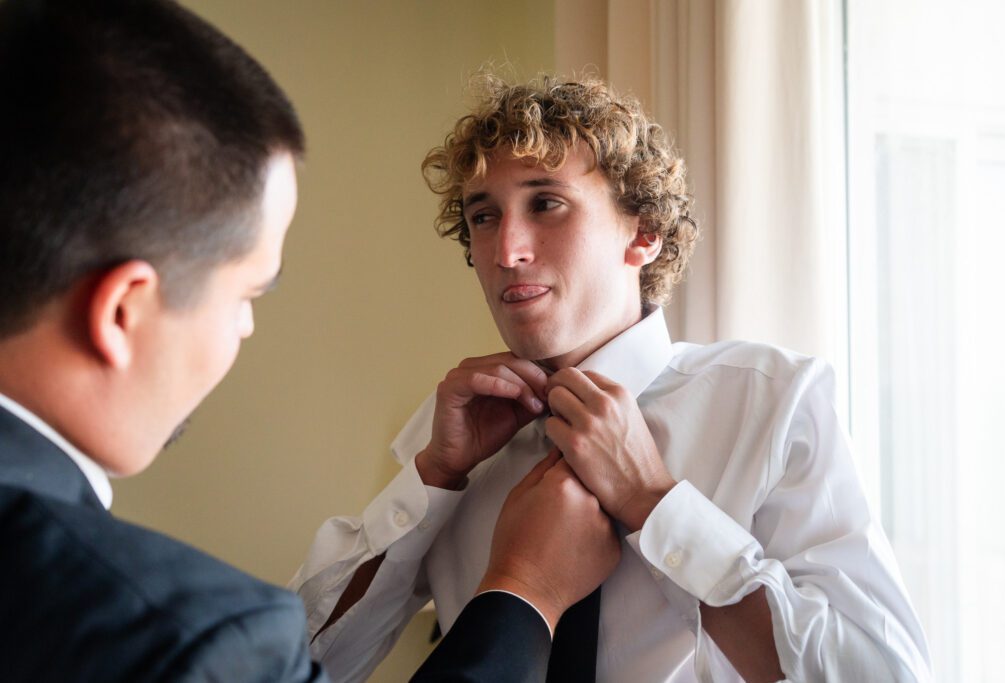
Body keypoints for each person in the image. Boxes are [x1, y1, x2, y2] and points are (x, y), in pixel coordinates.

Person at [0, 2, 617, 680]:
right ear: (121, 311)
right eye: (247, 295)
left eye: (547, 203)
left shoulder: (750, 406)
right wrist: (526, 588)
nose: (244, 328)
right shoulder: (177, 634)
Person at [292, 74, 934, 682]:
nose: (505, 250)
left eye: (546, 204)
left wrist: (654, 502)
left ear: (644, 232)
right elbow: (301, 667)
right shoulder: (451, 438)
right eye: (483, 216)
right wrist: (432, 478)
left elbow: (884, 672)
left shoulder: (770, 401)